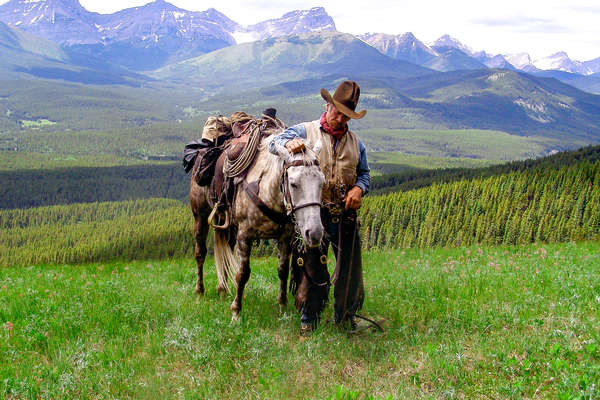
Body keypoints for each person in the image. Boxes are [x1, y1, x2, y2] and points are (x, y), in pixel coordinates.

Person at [269, 80, 370, 333]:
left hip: (345, 215)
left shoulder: (357, 144)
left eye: (346, 116)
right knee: (312, 266)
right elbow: (273, 143)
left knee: (349, 270)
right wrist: (288, 144)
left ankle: (345, 317)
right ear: (327, 105)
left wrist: (359, 188)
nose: (340, 119)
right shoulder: (305, 130)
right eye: (337, 112)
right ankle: (308, 319)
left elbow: (364, 174)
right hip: (316, 212)